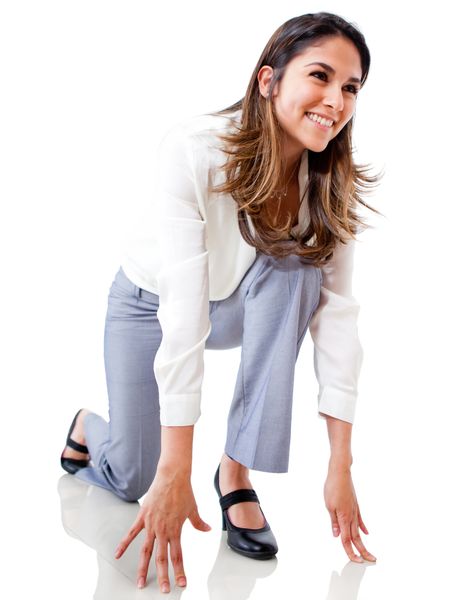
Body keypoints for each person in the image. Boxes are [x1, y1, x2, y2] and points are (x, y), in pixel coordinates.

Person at [60, 11, 379, 593]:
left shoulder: (329, 182)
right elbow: (182, 312)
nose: (336, 100)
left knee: (299, 272)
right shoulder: (195, 149)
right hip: (149, 304)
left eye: (351, 87)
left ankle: (235, 471)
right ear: (268, 81)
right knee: (132, 478)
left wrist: (341, 464)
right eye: (320, 76)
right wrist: (172, 466)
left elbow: (337, 318)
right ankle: (89, 427)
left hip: (239, 303)